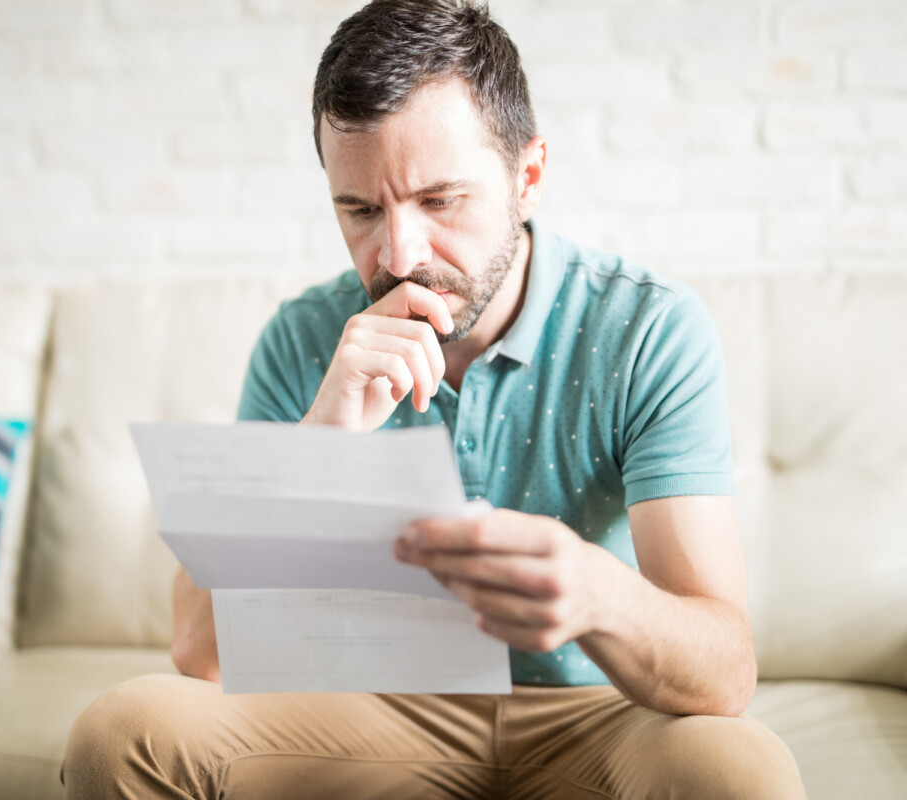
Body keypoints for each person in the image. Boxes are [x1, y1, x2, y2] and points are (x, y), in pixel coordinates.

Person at [62, 1, 807, 797]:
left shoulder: (648, 329)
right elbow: (199, 652)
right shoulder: (305, 338)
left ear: (528, 177)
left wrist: (595, 594)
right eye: (360, 210)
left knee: (738, 771)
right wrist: (319, 444)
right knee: (122, 732)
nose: (399, 254)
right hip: (373, 715)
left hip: (600, 714)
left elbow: (725, 672)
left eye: (440, 200)